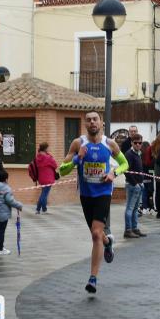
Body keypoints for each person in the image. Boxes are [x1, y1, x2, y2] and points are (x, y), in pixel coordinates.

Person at [58, 111, 129, 294]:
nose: (92, 122)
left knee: (96, 234)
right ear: (85, 124)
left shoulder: (109, 144)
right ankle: (108, 242)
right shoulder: (78, 143)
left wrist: (114, 173)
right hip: (86, 195)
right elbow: (62, 171)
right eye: (88, 120)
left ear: (101, 123)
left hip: (104, 192)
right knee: (98, 235)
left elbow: (125, 164)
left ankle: (93, 278)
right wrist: (77, 158)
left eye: (95, 119)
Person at [0, 169, 23, 255]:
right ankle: (0, 249)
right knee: (1, 231)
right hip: (3, 213)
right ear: (6, 179)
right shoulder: (6, 188)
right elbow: (9, 200)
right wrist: (19, 205)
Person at [124, 133, 145, 238]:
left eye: (140, 143)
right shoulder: (129, 154)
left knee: (136, 209)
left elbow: (139, 170)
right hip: (132, 186)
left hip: (139, 185)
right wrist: (135, 183)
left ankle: (134, 228)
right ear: (132, 143)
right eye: (135, 143)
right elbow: (126, 170)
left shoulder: (138, 154)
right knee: (130, 208)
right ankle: (128, 230)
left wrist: (141, 182)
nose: (138, 145)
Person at [35, 142, 58, 214]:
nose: (49, 149)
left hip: (41, 178)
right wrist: (49, 155)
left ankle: (38, 209)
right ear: (45, 148)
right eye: (48, 147)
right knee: (45, 194)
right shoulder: (47, 157)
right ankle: (44, 209)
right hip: (48, 178)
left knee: (43, 193)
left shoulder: (37, 156)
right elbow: (55, 165)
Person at [140, 141, 155, 214]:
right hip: (150, 176)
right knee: (151, 192)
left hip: (143, 176)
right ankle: (151, 207)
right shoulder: (150, 156)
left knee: (144, 192)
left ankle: (145, 208)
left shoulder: (141, 155)